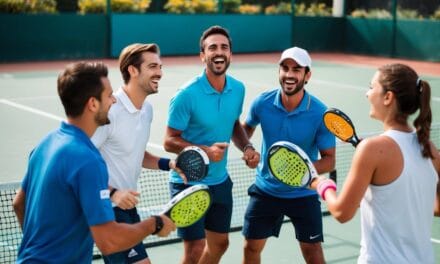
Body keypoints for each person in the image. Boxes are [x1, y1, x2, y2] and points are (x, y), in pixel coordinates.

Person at [12, 61, 176, 263]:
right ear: (92, 104)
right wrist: (154, 224)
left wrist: (39, 247)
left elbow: (19, 203)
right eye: (108, 96)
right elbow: (109, 241)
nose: (114, 101)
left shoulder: (46, 143)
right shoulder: (87, 160)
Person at [314, 63, 440, 263]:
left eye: (372, 87)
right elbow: (437, 208)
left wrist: (321, 184)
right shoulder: (432, 150)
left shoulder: (371, 149)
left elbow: (341, 212)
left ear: (388, 97)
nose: (367, 94)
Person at [163, 25, 260, 264]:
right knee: (195, 248)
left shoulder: (237, 89)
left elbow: (234, 124)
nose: (219, 52)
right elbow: (169, 141)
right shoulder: (186, 94)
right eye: (212, 47)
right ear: (202, 55)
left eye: (224, 47)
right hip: (188, 183)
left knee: (220, 244)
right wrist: (205, 151)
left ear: (230, 54)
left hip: (220, 182)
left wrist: (247, 147)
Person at [240, 46, 336, 264]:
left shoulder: (320, 113)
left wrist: (300, 172)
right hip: (266, 190)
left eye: (297, 69)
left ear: (307, 75)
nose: (290, 74)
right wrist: (248, 150)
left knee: (312, 252)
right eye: (285, 68)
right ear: (279, 71)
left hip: (303, 193)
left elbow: (330, 160)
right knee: (251, 247)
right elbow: (246, 129)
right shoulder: (262, 103)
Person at [91, 43, 183, 264]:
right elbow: (80, 163)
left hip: (128, 207)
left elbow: (137, 154)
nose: (159, 73)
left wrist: (171, 164)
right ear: (132, 70)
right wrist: (113, 193)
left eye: (160, 66)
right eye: (152, 66)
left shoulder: (146, 111)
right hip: (106, 208)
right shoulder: (109, 110)